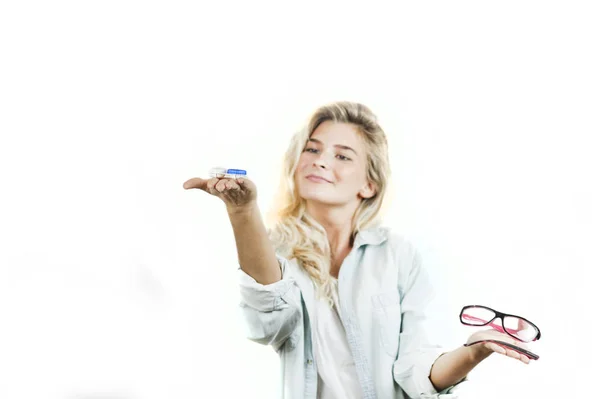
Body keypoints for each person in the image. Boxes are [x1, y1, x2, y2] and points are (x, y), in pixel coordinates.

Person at [183, 102, 532, 399]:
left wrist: (474, 351)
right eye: (313, 148)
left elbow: (416, 369)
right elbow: (265, 324)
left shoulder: (398, 256)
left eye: (342, 155)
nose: (320, 161)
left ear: (369, 184)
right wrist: (243, 211)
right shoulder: (272, 248)